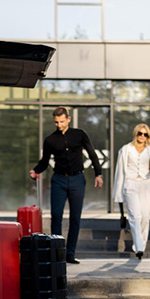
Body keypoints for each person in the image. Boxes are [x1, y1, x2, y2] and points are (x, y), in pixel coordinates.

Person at [29, 106, 103, 264]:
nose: (59, 125)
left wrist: (99, 174)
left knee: (75, 218)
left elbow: (92, 154)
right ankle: (57, 255)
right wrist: (35, 171)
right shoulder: (50, 140)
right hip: (59, 180)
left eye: (62, 122)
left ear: (68, 119)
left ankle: (70, 254)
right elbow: (44, 161)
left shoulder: (79, 134)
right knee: (56, 216)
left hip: (77, 180)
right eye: (56, 122)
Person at [112, 124, 150, 259]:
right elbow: (120, 171)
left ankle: (141, 245)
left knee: (145, 217)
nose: (142, 136)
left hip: (146, 185)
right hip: (130, 184)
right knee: (135, 217)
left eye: (145, 134)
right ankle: (139, 247)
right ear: (135, 134)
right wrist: (118, 191)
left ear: (148, 136)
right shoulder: (126, 149)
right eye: (140, 133)